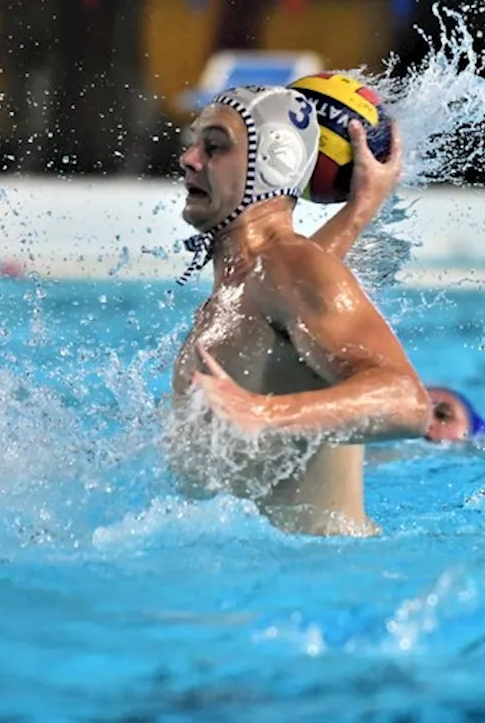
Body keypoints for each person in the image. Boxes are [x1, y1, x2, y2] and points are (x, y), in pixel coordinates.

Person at [167, 85, 429, 537]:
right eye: (194, 144)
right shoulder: (258, 280)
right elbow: (296, 299)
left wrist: (262, 414)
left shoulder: (289, 266)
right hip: (267, 575)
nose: (189, 159)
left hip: (321, 584)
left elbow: (407, 401)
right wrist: (361, 208)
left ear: (274, 161)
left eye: (214, 147)